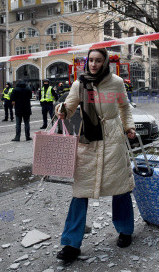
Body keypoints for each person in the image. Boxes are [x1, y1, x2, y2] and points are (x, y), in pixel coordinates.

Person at [55, 48, 136, 262]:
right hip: (88, 141)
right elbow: (69, 108)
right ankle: (71, 244)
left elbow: (124, 108)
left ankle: (125, 230)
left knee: (120, 187)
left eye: (98, 61)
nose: (93, 64)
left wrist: (129, 127)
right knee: (80, 191)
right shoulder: (79, 84)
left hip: (112, 138)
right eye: (90, 60)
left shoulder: (116, 82)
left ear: (105, 62)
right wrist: (61, 110)